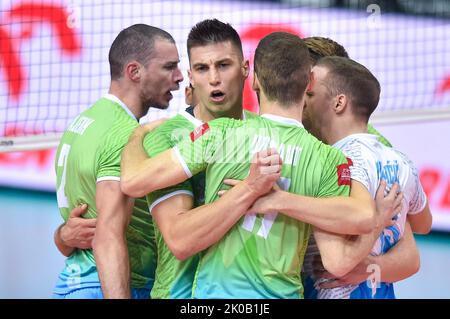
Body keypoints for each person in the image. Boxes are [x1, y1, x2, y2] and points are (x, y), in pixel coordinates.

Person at [121, 32, 401, 298]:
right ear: (309, 84)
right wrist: (378, 216)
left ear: (253, 79)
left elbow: (133, 181)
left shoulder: (221, 133)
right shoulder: (330, 158)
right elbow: (346, 247)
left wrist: (136, 135)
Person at [122, 19, 260, 299]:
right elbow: (179, 240)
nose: (214, 79)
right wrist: (250, 191)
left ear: (245, 69)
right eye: (202, 68)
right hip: (180, 295)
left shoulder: (264, 130)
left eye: (224, 65)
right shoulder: (167, 137)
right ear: (191, 77)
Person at [52, 24, 183, 299]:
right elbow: (108, 237)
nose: (179, 77)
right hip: (108, 287)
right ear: (134, 71)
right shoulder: (125, 136)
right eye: (169, 67)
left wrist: (62, 235)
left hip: (71, 282)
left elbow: (80, 225)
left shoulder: (82, 123)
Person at [301, 56, 431, 298]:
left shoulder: (332, 162)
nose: (303, 99)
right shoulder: (403, 162)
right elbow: (424, 224)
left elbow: (337, 264)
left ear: (339, 103)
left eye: (310, 94)